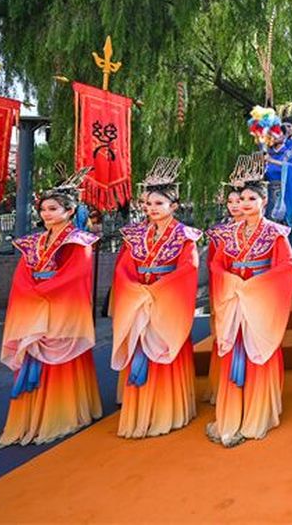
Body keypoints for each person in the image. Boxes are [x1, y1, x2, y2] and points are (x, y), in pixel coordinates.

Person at [0, 167, 103, 447]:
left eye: (53, 209)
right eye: (43, 209)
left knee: (61, 361)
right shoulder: (33, 241)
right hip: (35, 303)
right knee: (35, 355)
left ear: (70, 211)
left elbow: (76, 274)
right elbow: (22, 273)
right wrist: (30, 292)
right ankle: (31, 417)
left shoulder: (79, 240)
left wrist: (43, 291)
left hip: (61, 307)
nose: (46, 214)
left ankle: (62, 414)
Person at [206, 154, 292, 447]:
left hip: (260, 301)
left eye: (251, 199)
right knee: (234, 351)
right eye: (241, 199)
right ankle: (232, 415)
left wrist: (256, 286)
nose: (244, 204)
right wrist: (231, 282)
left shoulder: (276, 233)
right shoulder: (227, 233)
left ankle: (258, 415)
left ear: (264, 201)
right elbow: (217, 265)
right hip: (234, 300)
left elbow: (286, 267)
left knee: (259, 353)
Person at [111, 158, 200, 438]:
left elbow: (188, 268)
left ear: (174, 206)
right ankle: (140, 413)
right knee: (140, 348)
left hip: (167, 301)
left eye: (159, 203)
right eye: (148, 204)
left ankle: (166, 411)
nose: (152, 208)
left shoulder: (185, 236)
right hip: (139, 299)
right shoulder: (135, 235)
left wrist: (159, 290)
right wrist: (134, 288)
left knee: (164, 351)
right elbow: (124, 267)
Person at [203, 177, 246, 404]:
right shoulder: (219, 233)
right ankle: (221, 387)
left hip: (252, 291)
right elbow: (213, 264)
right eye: (230, 201)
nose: (235, 205)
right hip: (225, 291)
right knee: (224, 335)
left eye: (239, 200)